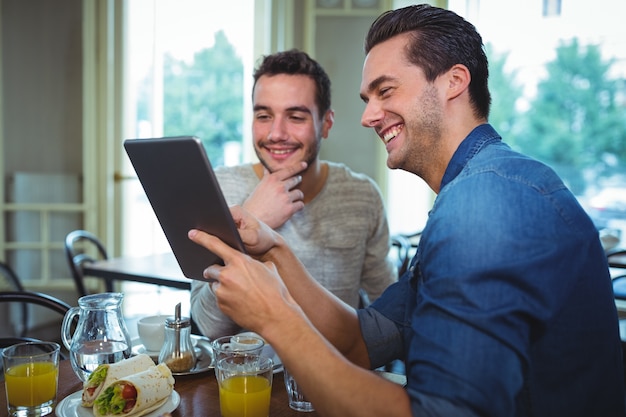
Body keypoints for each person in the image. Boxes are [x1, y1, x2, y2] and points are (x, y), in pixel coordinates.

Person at [188, 4, 625, 417]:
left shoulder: (483, 207)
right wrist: (277, 250)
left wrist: (274, 316)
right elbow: (364, 340)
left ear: (454, 81)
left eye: (386, 91)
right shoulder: (474, 188)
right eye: (367, 97)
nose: (369, 115)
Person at [190, 49, 397, 338]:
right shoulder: (219, 188)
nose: (276, 133)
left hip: (334, 379)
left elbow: (387, 316)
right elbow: (209, 326)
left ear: (326, 124)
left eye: (295, 117)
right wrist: (248, 221)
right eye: (264, 115)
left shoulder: (362, 196)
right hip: (244, 381)